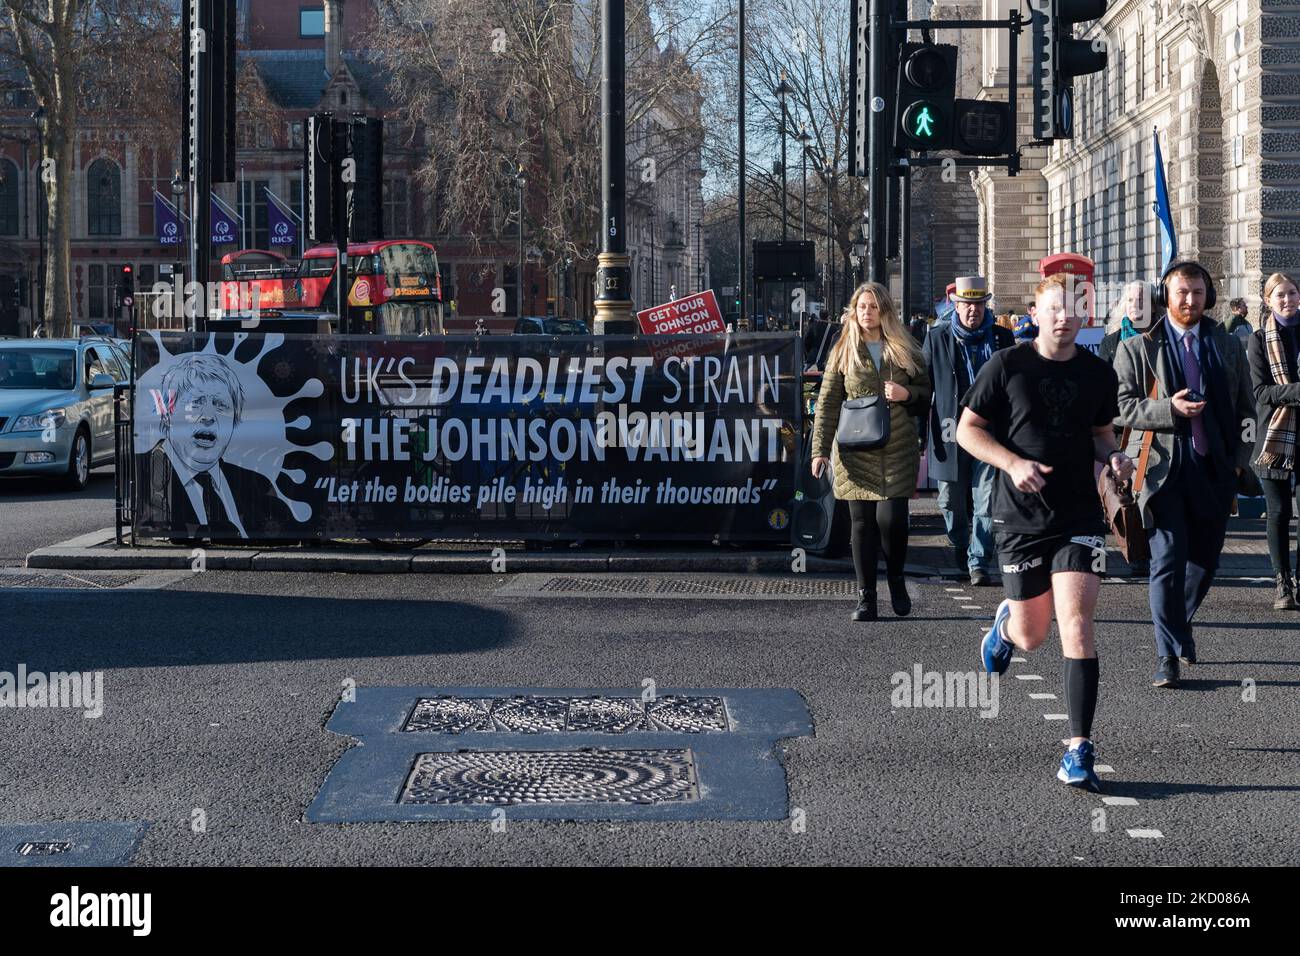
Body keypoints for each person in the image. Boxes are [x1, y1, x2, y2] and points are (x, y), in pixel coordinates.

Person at [958, 273, 1128, 792]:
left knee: (1077, 622)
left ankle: (1079, 748)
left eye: (1073, 308)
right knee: (1033, 636)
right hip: (1020, 517)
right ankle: (1005, 627)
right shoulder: (1007, 365)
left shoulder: (1099, 374)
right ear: (1036, 311)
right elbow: (967, 430)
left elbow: (1101, 435)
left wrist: (1114, 456)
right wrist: (1011, 464)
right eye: (1053, 308)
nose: (1063, 317)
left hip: (1079, 515)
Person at [1113, 261, 1257, 688]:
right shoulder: (1138, 348)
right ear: (1166, 296)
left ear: (1207, 296)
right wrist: (1168, 410)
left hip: (1214, 467)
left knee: (1206, 563)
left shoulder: (1227, 345)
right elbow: (1121, 408)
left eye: (1197, 292)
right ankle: (1166, 656)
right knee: (1168, 558)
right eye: (1181, 292)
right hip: (1162, 472)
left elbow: (1247, 411)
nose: (1189, 300)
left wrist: (1239, 459)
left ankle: (1180, 627)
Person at [812, 282, 932, 622]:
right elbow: (827, 403)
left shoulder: (906, 347)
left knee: (891, 520)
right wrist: (819, 451)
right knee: (861, 524)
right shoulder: (842, 350)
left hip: (896, 447)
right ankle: (866, 598)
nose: (867, 313)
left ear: (885, 311)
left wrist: (905, 394)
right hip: (854, 449)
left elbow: (926, 394)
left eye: (873, 307)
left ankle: (895, 578)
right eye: (862, 307)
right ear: (854, 311)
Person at [922, 275, 1014, 586]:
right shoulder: (937, 337)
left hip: (989, 432)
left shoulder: (1002, 338)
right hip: (949, 431)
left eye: (978, 304)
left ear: (985, 305)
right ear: (956, 306)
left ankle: (978, 560)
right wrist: (921, 436)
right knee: (950, 500)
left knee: (985, 499)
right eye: (966, 305)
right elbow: (926, 387)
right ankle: (961, 545)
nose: (973, 310)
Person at [1247, 271, 1300, 610]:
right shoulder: (1258, 339)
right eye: (1279, 295)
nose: (1287, 299)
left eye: (1292, 293)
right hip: (1274, 439)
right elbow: (1261, 392)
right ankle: (1282, 583)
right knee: (1278, 513)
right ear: (1268, 300)